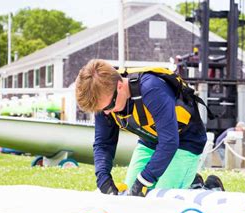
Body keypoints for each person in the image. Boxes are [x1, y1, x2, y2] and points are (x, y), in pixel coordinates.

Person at [75, 59, 223, 197]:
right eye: (102, 110)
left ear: (119, 86)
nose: (106, 113)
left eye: (109, 107)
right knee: (131, 198)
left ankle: (209, 188)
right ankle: (191, 181)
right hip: (150, 142)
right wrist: (103, 179)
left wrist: (145, 180)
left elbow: (169, 142)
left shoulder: (151, 88)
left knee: (159, 198)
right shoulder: (105, 102)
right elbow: (103, 144)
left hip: (185, 142)